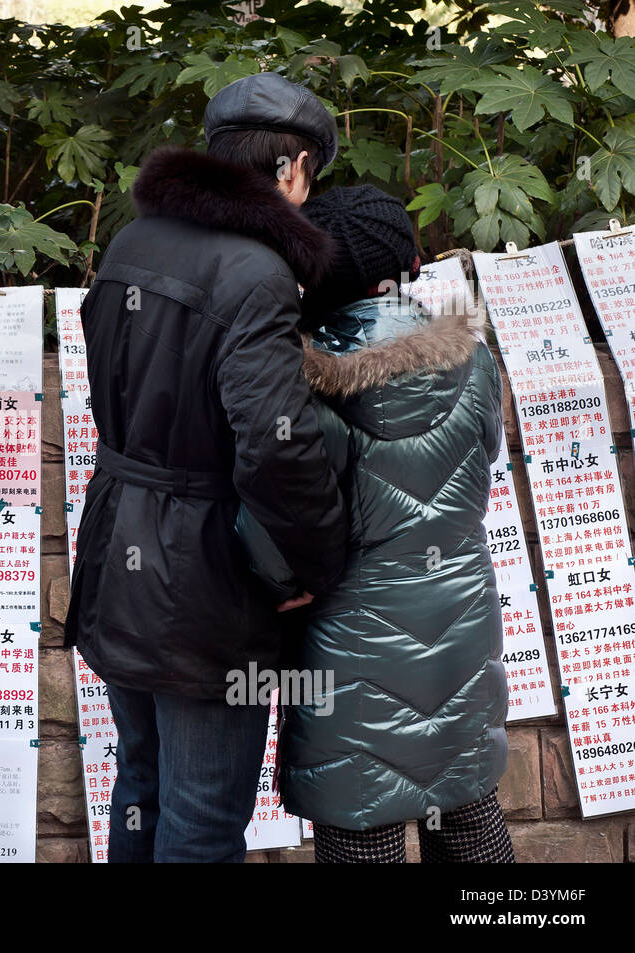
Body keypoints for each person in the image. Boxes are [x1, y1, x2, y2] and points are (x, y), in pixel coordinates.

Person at [63, 73, 349, 863]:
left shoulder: (132, 241)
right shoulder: (257, 272)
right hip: (203, 584)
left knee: (141, 788)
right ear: (291, 167)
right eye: (310, 178)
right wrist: (316, 561)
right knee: (204, 816)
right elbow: (276, 441)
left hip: (118, 545)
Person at [237, 185, 512, 862]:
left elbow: (277, 511)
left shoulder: (303, 384)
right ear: (406, 265)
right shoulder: (472, 357)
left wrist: (277, 582)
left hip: (350, 638)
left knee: (365, 823)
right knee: (469, 810)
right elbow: (488, 450)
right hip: (463, 620)